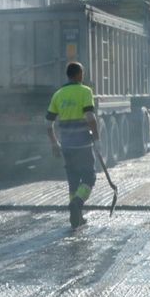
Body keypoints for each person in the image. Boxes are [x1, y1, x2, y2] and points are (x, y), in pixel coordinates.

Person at [46, 61, 99, 229]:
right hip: (83, 145)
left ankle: (75, 217)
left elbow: (48, 124)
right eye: (82, 73)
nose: (83, 76)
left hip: (66, 146)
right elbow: (90, 118)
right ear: (78, 75)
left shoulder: (58, 95)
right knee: (89, 178)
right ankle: (77, 202)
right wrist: (97, 140)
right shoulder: (85, 91)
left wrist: (55, 143)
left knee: (73, 180)